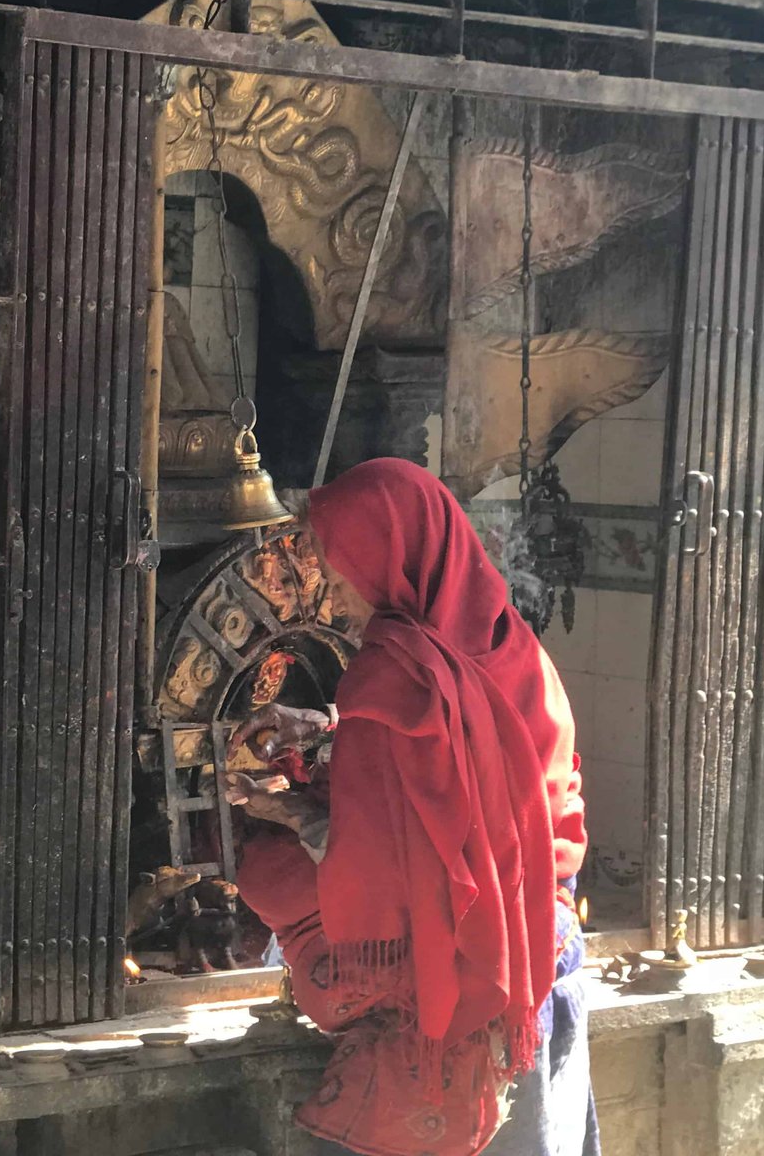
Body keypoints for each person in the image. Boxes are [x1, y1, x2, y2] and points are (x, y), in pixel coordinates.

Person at [226, 458, 596, 1156]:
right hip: (544, 958)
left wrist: (289, 818)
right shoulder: (513, 645)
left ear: (387, 567)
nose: (337, 605)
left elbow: (400, 861)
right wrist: (335, 722)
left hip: (466, 983)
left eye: (340, 582)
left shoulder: (395, 669)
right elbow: (461, 755)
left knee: (270, 882)